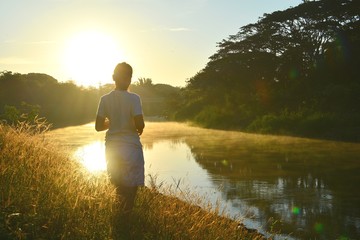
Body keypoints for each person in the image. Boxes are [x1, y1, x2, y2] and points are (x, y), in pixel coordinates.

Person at [95, 62, 145, 214]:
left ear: (113, 78)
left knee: (117, 182)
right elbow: (140, 124)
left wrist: (113, 122)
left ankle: (119, 211)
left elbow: (98, 126)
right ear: (130, 78)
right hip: (131, 146)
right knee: (132, 183)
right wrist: (138, 126)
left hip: (112, 146)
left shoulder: (104, 99)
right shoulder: (134, 98)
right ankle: (127, 211)